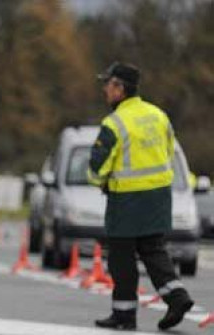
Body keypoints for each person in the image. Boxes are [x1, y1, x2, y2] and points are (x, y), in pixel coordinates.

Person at [88, 62, 194, 331]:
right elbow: (169, 152)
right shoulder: (159, 115)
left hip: (126, 200)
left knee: (121, 259)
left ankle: (124, 316)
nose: (104, 89)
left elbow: (96, 169)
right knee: (153, 250)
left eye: (108, 84)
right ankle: (177, 297)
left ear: (120, 88)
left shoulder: (114, 123)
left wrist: (102, 182)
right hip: (158, 197)